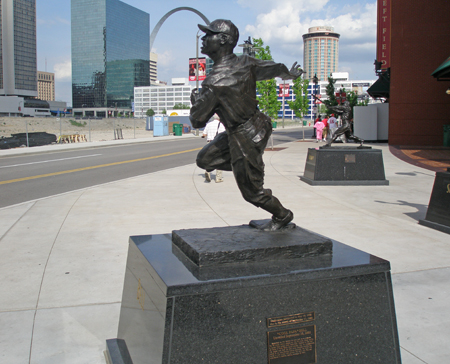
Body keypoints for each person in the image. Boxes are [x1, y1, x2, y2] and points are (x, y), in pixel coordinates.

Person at [190, 19, 303, 231]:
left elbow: (196, 120)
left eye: (208, 35)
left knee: (252, 192)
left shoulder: (214, 82)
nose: (204, 39)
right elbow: (275, 68)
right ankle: (246, 168)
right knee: (205, 159)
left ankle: (282, 215)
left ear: (223, 40)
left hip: (245, 136)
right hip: (256, 125)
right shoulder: (246, 62)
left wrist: (196, 101)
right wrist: (290, 75)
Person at [202, 114, 226, 182]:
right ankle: (218, 178)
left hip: (209, 143)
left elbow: (204, 134)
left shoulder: (209, 124)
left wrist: (205, 136)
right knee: (219, 160)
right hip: (218, 143)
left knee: (209, 159)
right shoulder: (222, 124)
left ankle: (207, 171)